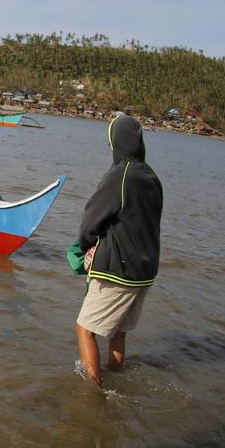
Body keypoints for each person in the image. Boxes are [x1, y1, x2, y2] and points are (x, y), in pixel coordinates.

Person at [75, 114, 163, 386]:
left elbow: (92, 217)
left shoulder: (120, 175)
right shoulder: (151, 176)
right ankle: (115, 375)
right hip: (145, 272)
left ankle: (94, 392)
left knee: (85, 328)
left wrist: (85, 247)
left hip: (119, 270)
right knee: (118, 332)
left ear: (116, 142)